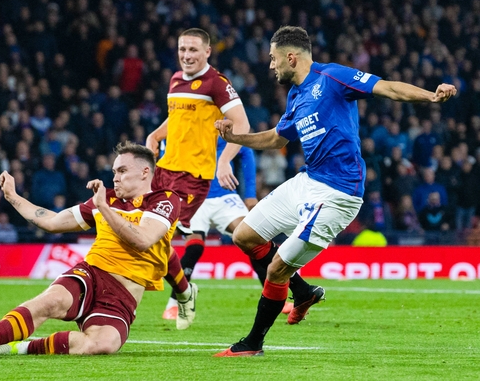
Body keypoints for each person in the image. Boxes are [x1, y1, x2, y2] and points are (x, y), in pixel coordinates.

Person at [212, 26, 456, 357]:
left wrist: (430, 95)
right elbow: (277, 139)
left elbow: (386, 88)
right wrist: (236, 139)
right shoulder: (296, 95)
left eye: (273, 59)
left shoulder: (332, 77)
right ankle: (303, 292)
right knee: (244, 235)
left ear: (291, 57)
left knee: (276, 269)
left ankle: (252, 344)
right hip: (308, 180)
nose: (270, 65)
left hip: (337, 193)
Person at [0, 142, 183, 358]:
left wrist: (104, 208)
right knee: (51, 301)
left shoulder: (165, 200)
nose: (115, 177)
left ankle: (19, 348)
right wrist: (14, 197)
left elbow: (143, 239)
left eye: (122, 171)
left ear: (145, 172)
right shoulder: (105, 199)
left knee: (103, 345)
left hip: (123, 295)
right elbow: (53, 222)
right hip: (92, 274)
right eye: (114, 171)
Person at [145, 28, 250, 329]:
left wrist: (224, 161)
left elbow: (242, 125)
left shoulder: (217, 84)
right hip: (164, 170)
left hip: (193, 178)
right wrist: (155, 134)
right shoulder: (176, 79)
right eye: (182, 50)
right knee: (150, 240)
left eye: (193, 50)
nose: (187, 55)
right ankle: (184, 291)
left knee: (152, 238)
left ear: (207, 52)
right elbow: (176, 119)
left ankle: (172, 295)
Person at [163, 137, 299, 317]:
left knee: (253, 239)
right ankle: (174, 305)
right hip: (193, 198)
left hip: (225, 197)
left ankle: (276, 299)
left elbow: (246, 152)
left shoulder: (221, 128)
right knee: (194, 248)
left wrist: (250, 193)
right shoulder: (182, 128)